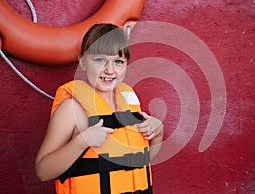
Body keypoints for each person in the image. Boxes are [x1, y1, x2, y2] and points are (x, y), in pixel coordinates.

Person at [35, 23, 164, 194]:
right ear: (82, 62)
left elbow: (141, 162)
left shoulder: (129, 102)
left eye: (118, 61)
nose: (109, 70)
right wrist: (82, 142)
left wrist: (158, 133)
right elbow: (43, 172)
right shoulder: (71, 109)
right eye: (100, 60)